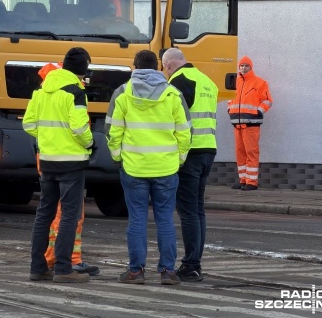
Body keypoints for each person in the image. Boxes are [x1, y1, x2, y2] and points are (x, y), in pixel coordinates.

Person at [107, 49, 191, 285]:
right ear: (157, 67)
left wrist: (117, 158)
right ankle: (168, 272)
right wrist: (179, 160)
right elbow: (185, 133)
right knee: (165, 219)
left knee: (137, 220)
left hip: (134, 169)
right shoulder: (173, 94)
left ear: (134, 67)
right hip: (166, 169)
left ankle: (136, 271)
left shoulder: (122, 94)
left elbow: (113, 132)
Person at [22, 47, 94, 283]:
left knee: (44, 213)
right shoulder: (75, 92)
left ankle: (38, 267)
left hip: (48, 160)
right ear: (83, 70)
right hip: (71, 162)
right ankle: (63, 269)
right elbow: (80, 127)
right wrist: (90, 143)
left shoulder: (42, 90)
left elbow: (29, 124)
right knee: (69, 215)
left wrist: (47, 140)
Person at [162, 47, 218, 282]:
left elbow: (175, 117)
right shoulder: (207, 81)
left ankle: (192, 264)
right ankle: (195, 262)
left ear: (168, 65)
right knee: (197, 210)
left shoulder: (179, 81)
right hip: (208, 149)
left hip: (190, 152)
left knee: (187, 212)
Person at [226, 56, 272, 191]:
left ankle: (251, 182)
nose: (243, 68)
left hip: (251, 123)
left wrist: (259, 111)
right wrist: (230, 109)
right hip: (237, 123)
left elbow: (267, 100)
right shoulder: (236, 82)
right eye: (241, 66)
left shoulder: (260, 83)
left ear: (251, 67)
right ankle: (243, 180)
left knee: (251, 152)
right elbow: (230, 99)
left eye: (246, 65)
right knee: (240, 152)